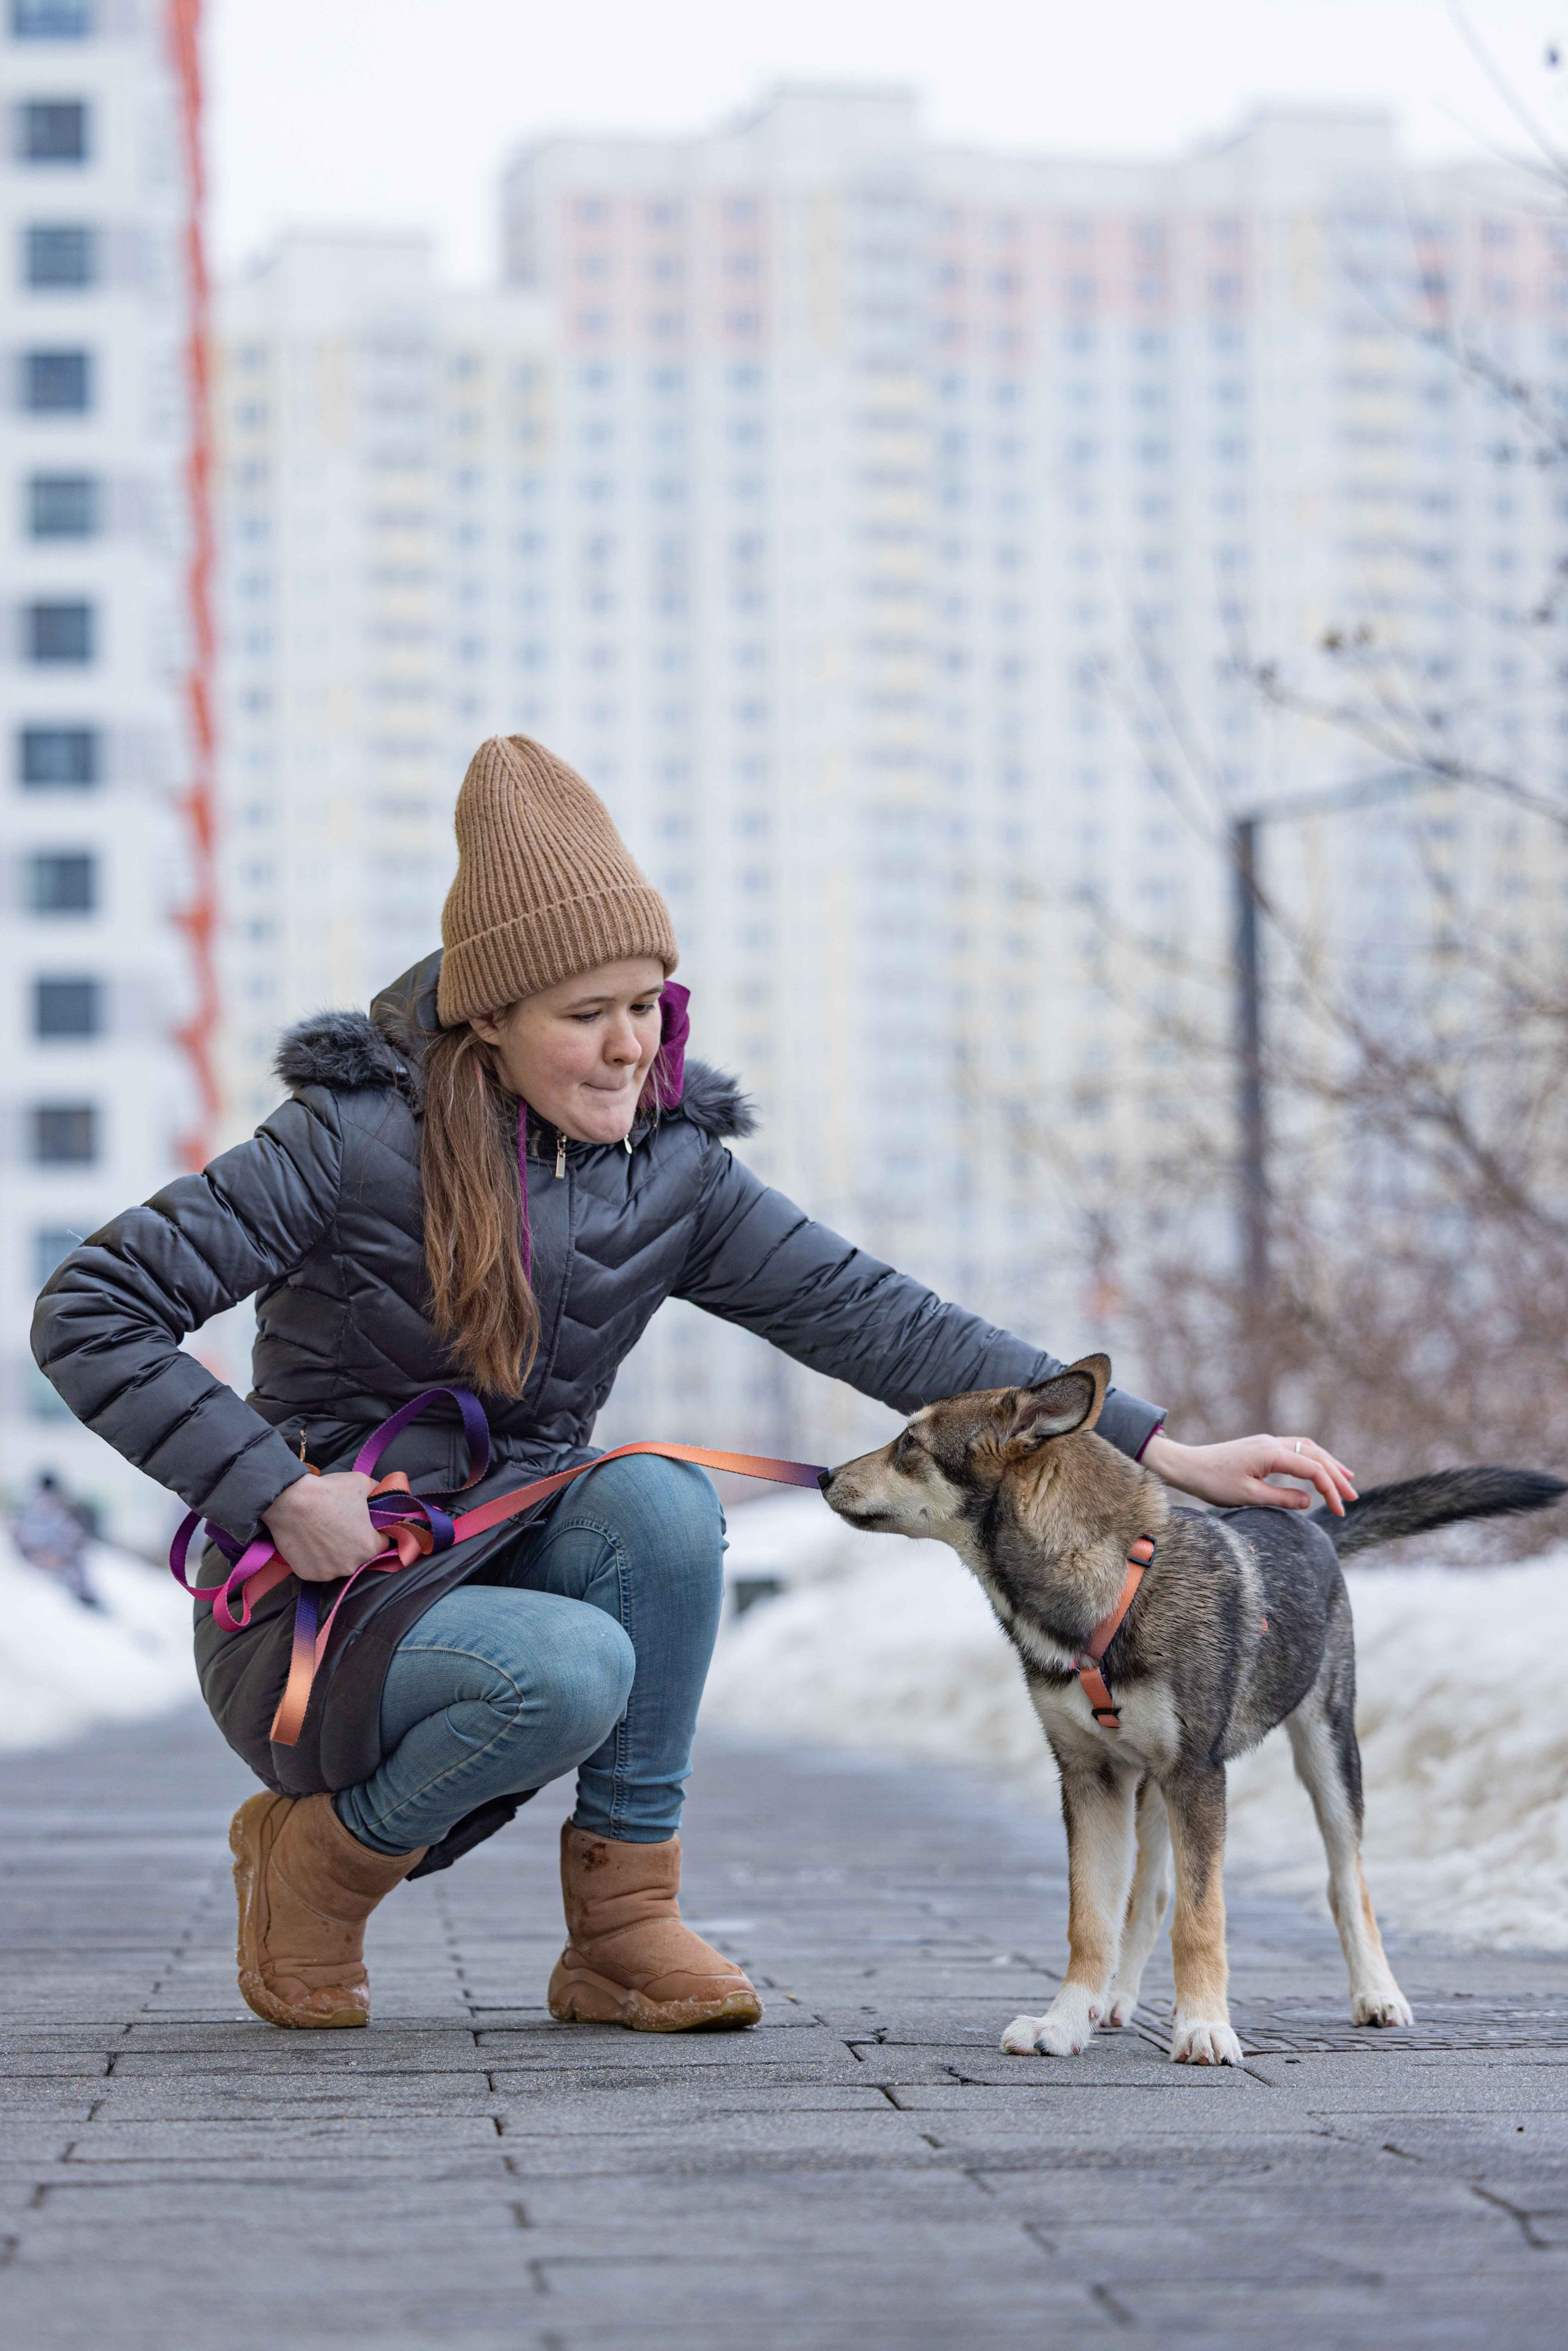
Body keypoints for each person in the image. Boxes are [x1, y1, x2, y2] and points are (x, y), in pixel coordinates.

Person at [32, 736, 1354, 2034]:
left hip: (502, 1548)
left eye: (646, 1006)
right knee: (569, 1664)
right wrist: (273, 1490)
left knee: (660, 1503)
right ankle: (316, 1866)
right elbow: (90, 1310)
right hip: (325, 1603)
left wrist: (1162, 1450)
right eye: (583, 1013)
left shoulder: (670, 1167)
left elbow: (872, 1314)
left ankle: (619, 1924)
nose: (626, 1047)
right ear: (486, 1017)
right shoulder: (343, 1141)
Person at [10, 1471, 99, 1609]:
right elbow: (67, 1529)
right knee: (72, 1568)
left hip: (37, 1554)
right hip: (43, 1555)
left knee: (71, 1567)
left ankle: (82, 1600)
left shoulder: (27, 1503)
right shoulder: (50, 1505)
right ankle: (83, 1600)